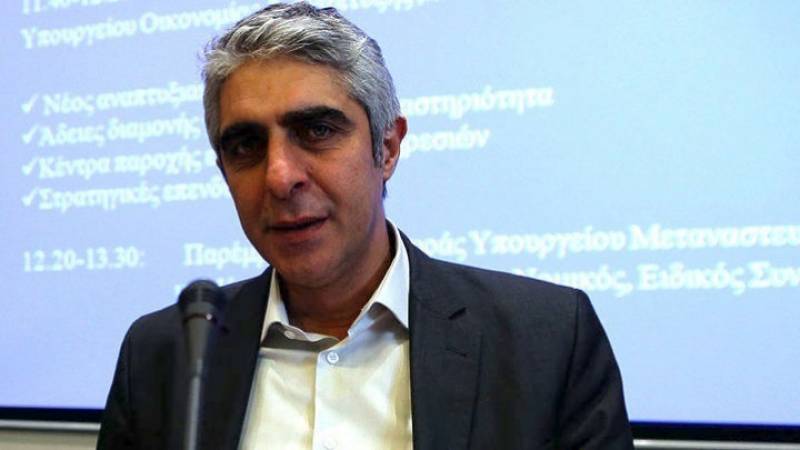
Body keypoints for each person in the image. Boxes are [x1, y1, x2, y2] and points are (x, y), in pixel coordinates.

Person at [97, 3, 633, 449]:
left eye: (317, 130)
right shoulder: (164, 354)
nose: (279, 177)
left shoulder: (547, 340)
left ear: (388, 148)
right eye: (246, 146)